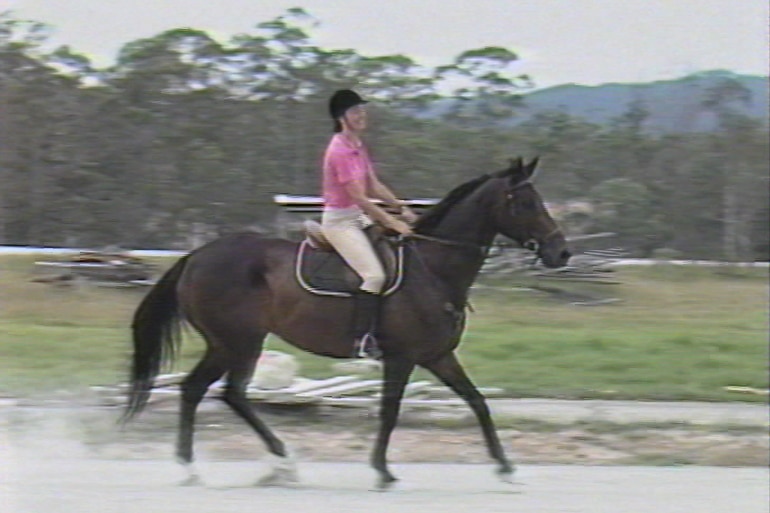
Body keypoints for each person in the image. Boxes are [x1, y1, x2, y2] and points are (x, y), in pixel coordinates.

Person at [321, 89, 417, 358]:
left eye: (363, 110)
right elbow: (360, 197)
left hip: (357, 217)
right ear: (342, 118)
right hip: (340, 222)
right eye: (355, 112)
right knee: (374, 276)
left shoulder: (358, 146)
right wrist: (391, 222)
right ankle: (362, 339)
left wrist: (403, 209)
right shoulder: (339, 150)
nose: (362, 116)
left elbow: (374, 186)